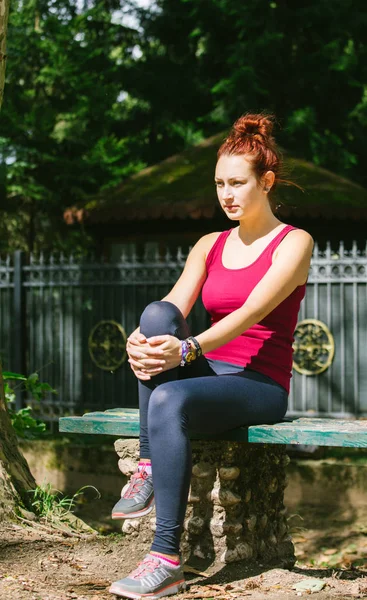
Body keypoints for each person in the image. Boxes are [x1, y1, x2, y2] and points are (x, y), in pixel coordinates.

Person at [109, 113, 313, 599]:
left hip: (257, 386)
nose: (227, 194)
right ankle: (148, 465)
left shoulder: (294, 242)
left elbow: (249, 312)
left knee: (169, 399)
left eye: (238, 183)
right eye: (220, 183)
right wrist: (137, 339)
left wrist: (190, 348)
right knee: (155, 314)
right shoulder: (209, 244)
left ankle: (164, 559)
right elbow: (173, 308)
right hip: (205, 373)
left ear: (265, 182)